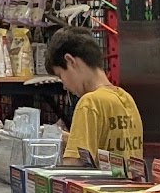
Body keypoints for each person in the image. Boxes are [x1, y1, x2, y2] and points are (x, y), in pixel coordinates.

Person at [46, 26, 143, 163]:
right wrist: (71, 139)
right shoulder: (126, 99)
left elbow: (74, 166)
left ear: (70, 61)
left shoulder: (89, 103)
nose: (64, 86)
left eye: (61, 75)